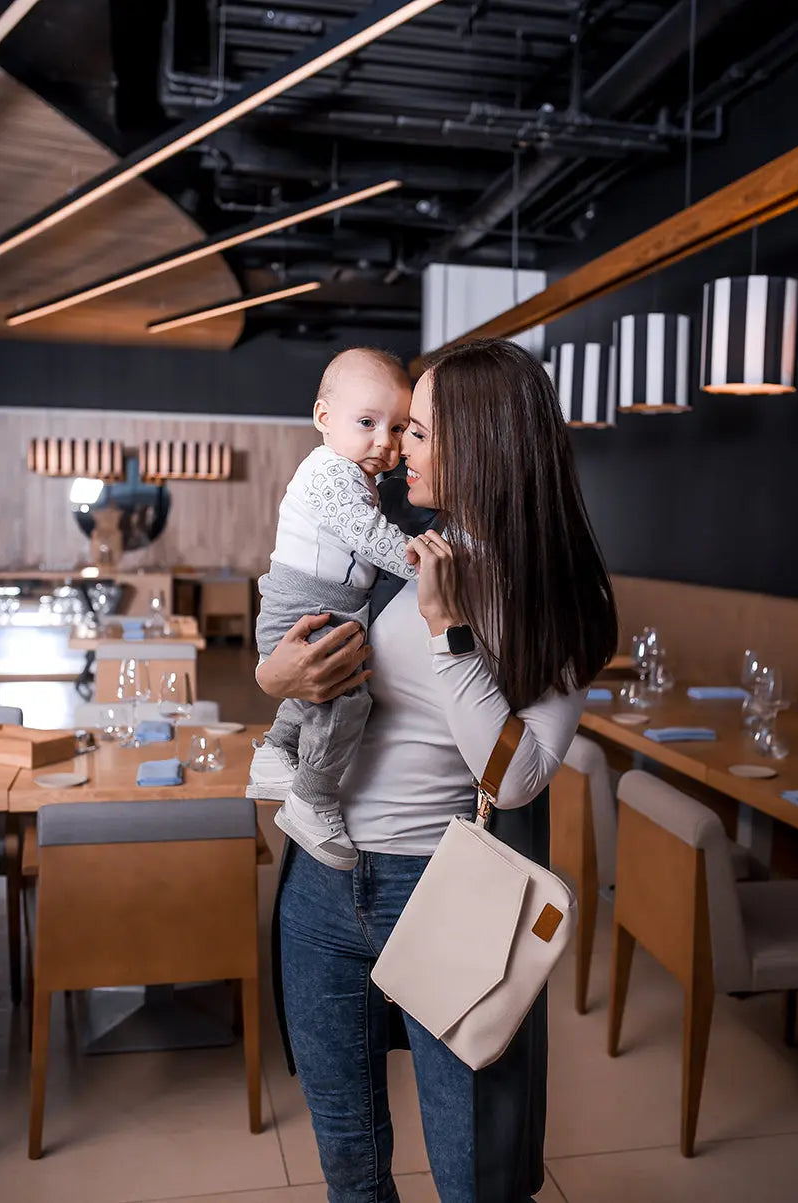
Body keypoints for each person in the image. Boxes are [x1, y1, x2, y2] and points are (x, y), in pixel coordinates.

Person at [257, 339, 618, 1203]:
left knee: (473, 1177)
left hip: (443, 892)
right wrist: (273, 676)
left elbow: (519, 775)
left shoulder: (548, 596)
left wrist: (450, 631)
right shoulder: (399, 547)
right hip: (321, 888)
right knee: (350, 1168)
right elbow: (307, 668)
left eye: (415, 432)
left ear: (478, 442)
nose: (392, 451)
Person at [248, 347, 418, 871]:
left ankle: (274, 754)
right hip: (306, 606)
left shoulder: (360, 477)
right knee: (345, 701)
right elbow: (368, 536)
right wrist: (421, 563)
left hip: (324, 605)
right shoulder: (328, 473)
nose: (383, 443)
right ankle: (313, 798)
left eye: (399, 430)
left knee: (323, 696)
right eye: (367, 422)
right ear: (323, 417)